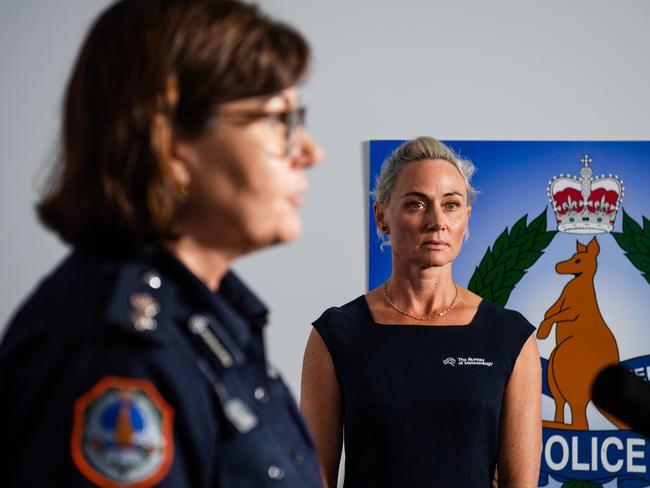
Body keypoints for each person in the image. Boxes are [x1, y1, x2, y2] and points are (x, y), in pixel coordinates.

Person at [0, 1, 324, 486]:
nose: (309, 152)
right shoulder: (117, 352)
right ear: (170, 140)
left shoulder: (212, 322)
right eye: (279, 121)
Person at [301, 137, 541, 487]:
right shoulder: (336, 335)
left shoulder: (510, 337)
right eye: (416, 204)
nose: (437, 221)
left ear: (466, 218)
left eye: (451, 205)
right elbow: (311, 479)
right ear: (382, 217)